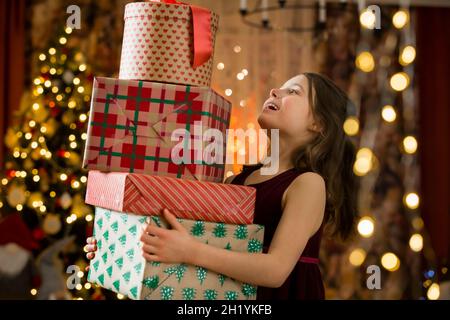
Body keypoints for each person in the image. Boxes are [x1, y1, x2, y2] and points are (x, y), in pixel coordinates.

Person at [85, 72, 358, 299]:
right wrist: (118, 247)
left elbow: (275, 270)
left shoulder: (308, 184)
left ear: (318, 123)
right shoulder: (236, 180)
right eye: (281, 88)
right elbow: (195, 238)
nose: (275, 90)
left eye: (293, 92)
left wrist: (191, 251)